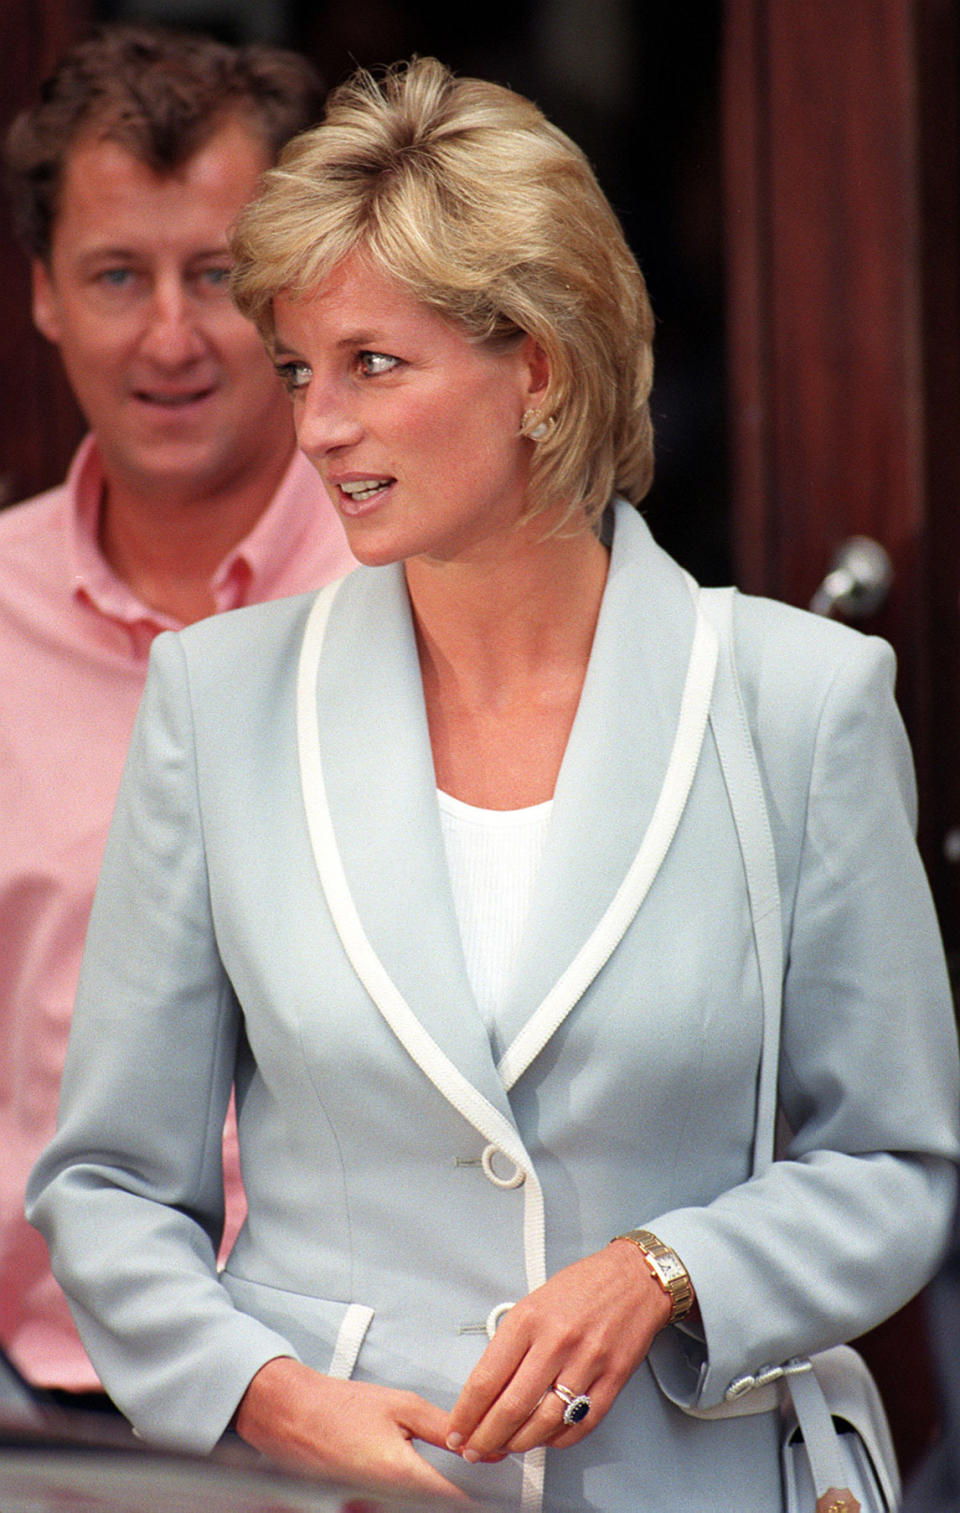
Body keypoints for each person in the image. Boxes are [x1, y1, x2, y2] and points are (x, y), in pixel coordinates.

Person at [26, 56, 960, 1511]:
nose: (316, 426)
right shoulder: (216, 705)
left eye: (372, 365)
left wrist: (675, 1263)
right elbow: (109, 1192)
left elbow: (895, 1163)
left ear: (540, 364)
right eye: (299, 369)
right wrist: (270, 1401)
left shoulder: (801, 704)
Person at [0, 25, 354, 1405]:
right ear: (42, 296)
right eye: (114, 275)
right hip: (46, 1396)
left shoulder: (428, 590)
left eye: (218, 276)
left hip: (371, 1395)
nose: (170, 336)